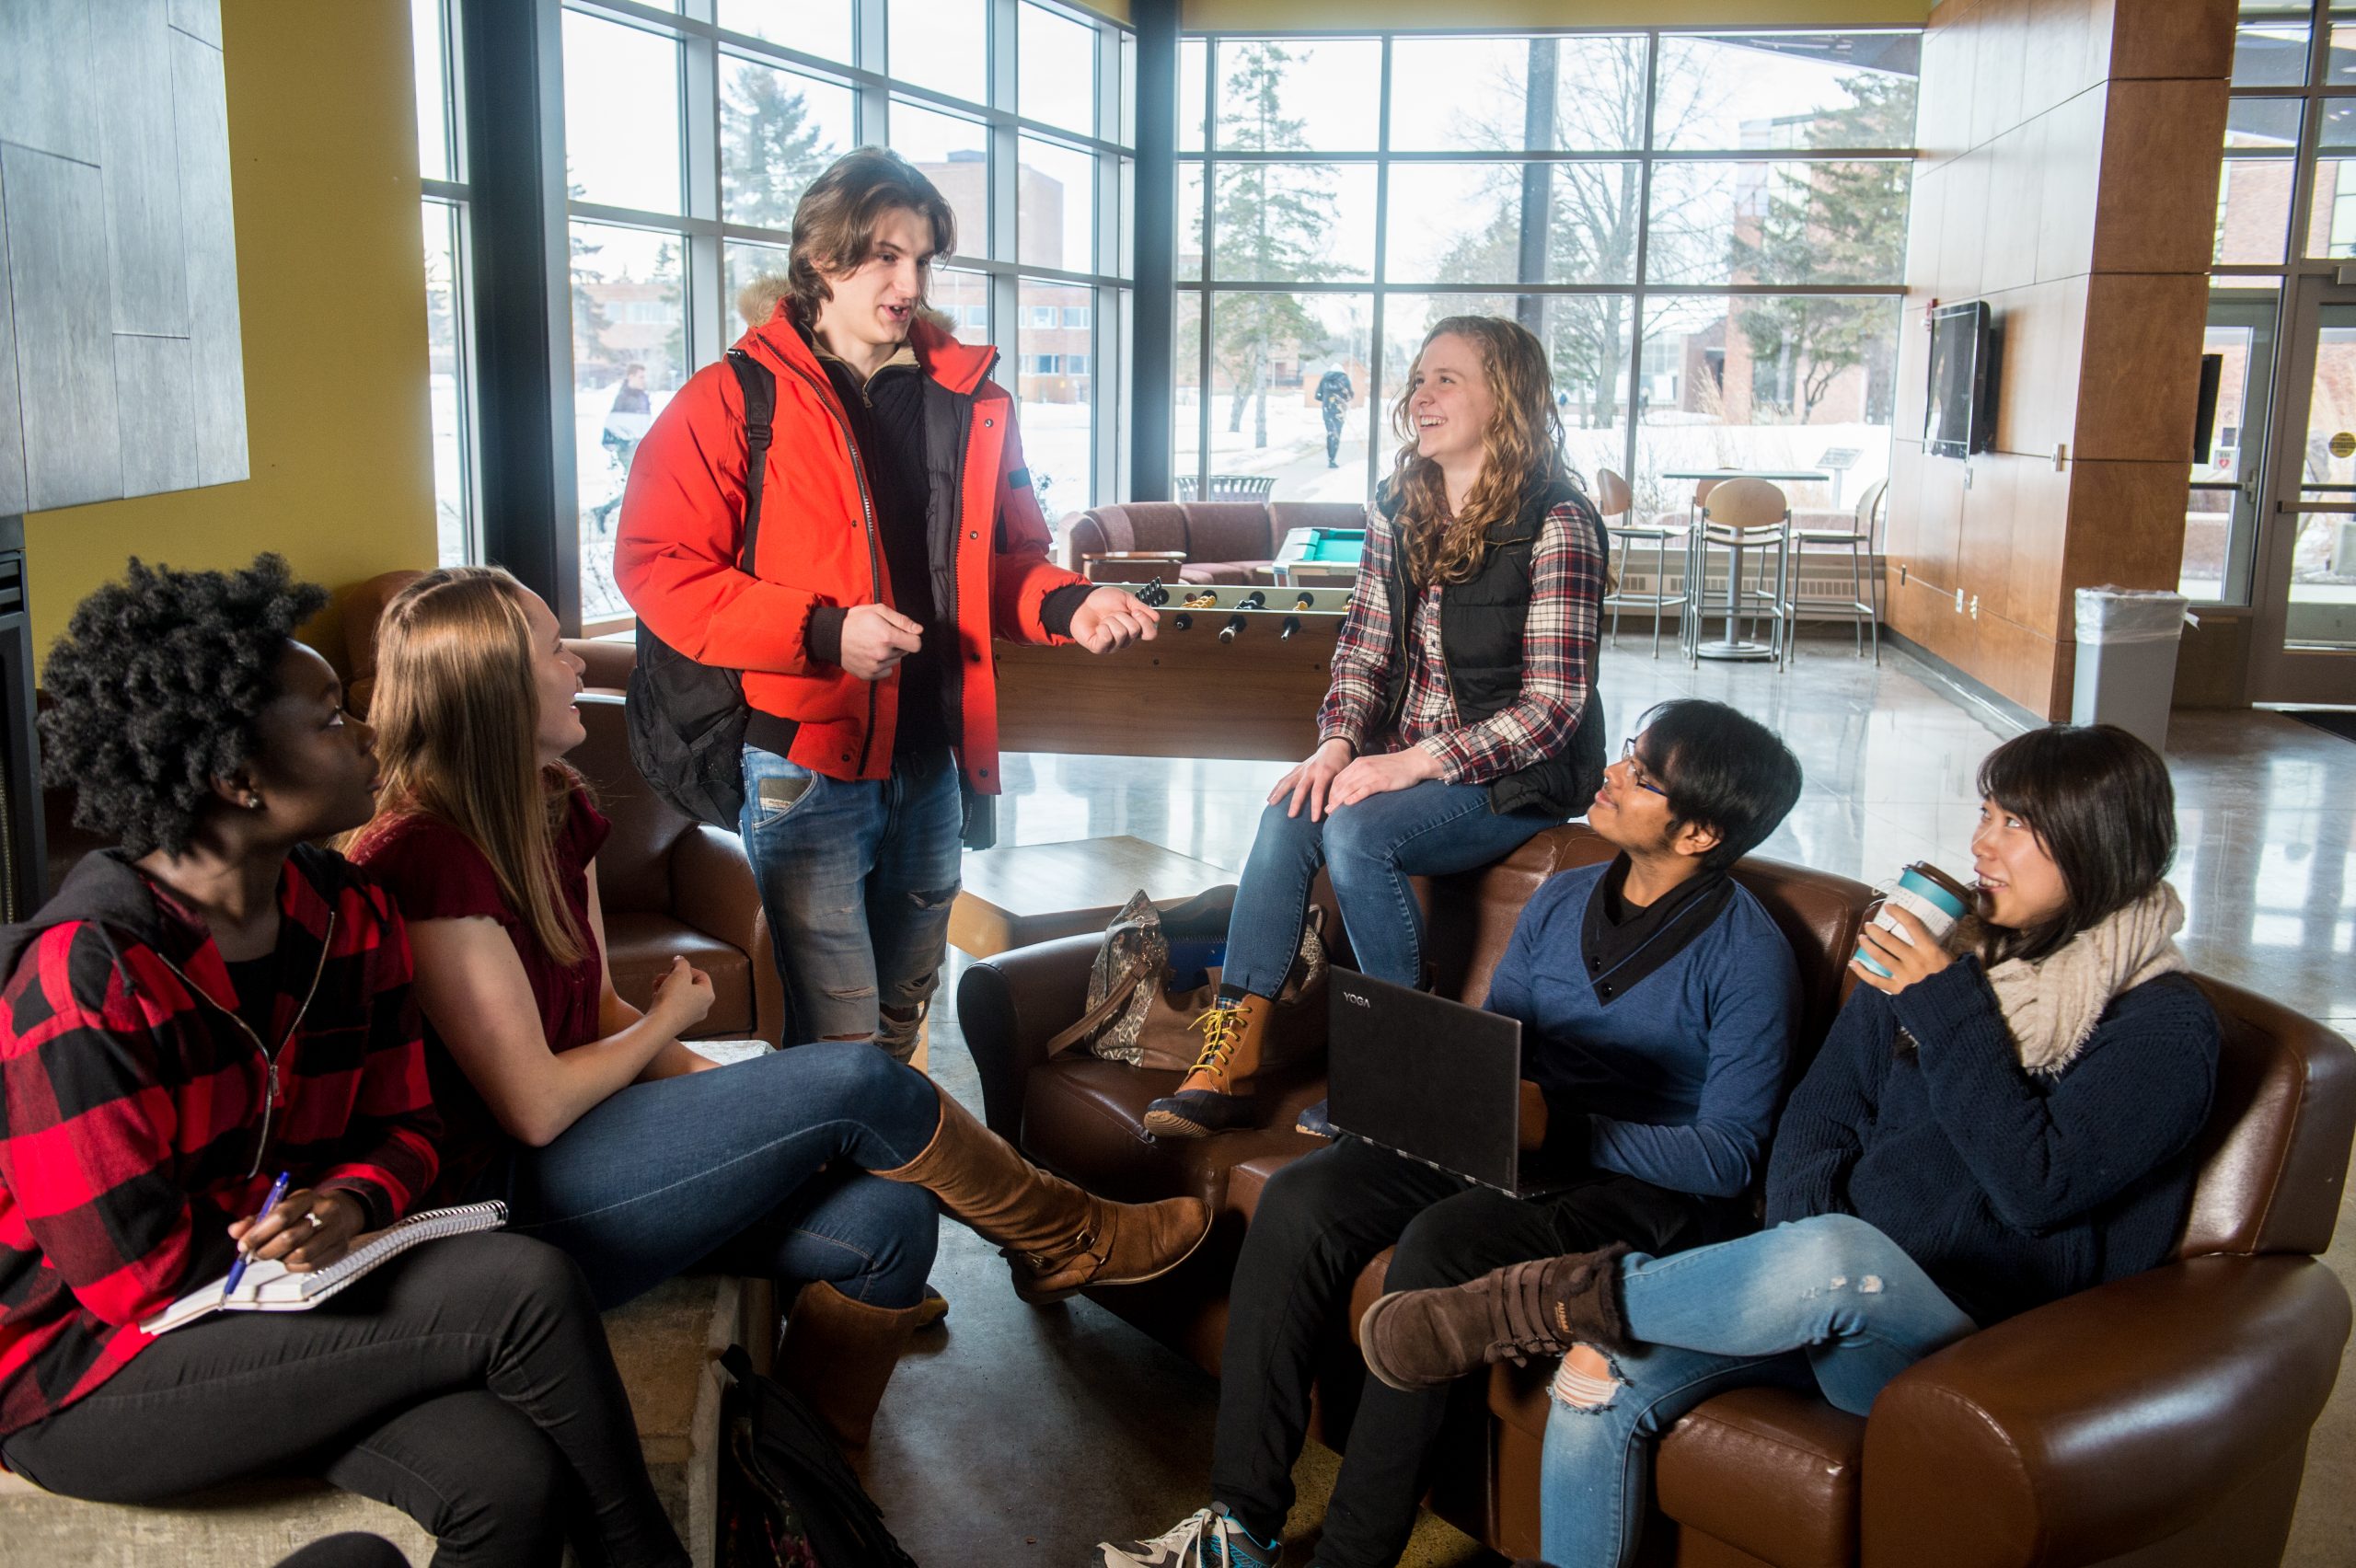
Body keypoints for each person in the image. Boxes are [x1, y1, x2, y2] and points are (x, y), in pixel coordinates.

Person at [343, 567, 1208, 1448]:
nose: (575, 666)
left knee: (890, 1218)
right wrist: (676, 1026)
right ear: (491, 686)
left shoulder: (552, 805)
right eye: (550, 649)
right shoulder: (422, 858)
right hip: (508, 1201)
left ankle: (802, 1484)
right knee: (857, 1079)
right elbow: (532, 1109)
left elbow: (597, 1005)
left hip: (599, 1138)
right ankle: (1064, 1232)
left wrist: (757, 1119)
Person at [1355, 724, 2220, 1568]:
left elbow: (2038, 1188)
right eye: (1987, 813)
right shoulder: (1948, 957)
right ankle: (1595, 1317)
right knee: (1595, 1379)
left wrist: (1947, 1009)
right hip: (1823, 1291)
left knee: (1840, 1254)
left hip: (1977, 1340)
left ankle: (1537, 1303)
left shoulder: (2163, 1027)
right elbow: (1821, 1117)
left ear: (2096, 846)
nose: (1981, 843)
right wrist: (1794, 1259)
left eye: (2015, 826)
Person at [0, 558, 685, 1568]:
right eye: (328, 720)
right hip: (93, 1373)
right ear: (237, 777)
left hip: (277, 1302)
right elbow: (135, 1278)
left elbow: (408, 1130)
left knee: (506, 1479)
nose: (367, 733)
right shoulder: (83, 977)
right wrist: (315, 1252)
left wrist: (356, 1202)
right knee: (520, 1287)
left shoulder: (346, 911)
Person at [1097, 699, 1805, 1568]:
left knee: (1441, 1244)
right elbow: (1497, 1041)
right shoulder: (1569, 895)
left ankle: (1354, 1556)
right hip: (1513, 1141)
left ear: (1698, 834)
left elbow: (1728, 1157)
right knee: (1301, 1198)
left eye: (1642, 774)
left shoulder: (1749, 956)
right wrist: (1440, 1089)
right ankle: (1241, 1522)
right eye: (1627, 754)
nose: (1612, 773)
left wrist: (1565, 1127)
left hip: (1633, 1188)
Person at [616, 147, 1156, 1064]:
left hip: (930, 758)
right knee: (839, 1035)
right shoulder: (728, 399)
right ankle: (834, 1196)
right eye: (884, 257)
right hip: (804, 767)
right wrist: (825, 632)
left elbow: (1007, 559)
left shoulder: (970, 400)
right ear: (822, 260)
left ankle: (884, 1196)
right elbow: (659, 567)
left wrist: (1070, 606)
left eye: (923, 259)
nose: (909, 282)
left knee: (905, 1016)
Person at [1145, 317, 1610, 1141]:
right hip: (1406, 764)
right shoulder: (1402, 503)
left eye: (1446, 380)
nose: (1418, 397)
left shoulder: (1559, 522)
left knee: (1357, 833)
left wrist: (1419, 762)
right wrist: (1337, 745)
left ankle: (1395, 1064)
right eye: (1418, 379)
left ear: (1506, 398)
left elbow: (1554, 708)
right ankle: (1226, 1060)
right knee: (1290, 811)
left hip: (1518, 777)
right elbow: (1362, 651)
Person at [592, 363, 653, 533]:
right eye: (640, 376)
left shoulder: (640, 396)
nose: (644, 380)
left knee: (639, 486)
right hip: (628, 447)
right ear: (631, 377)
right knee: (638, 486)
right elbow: (616, 423)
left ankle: (609, 512)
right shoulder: (625, 398)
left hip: (637, 445)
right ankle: (608, 512)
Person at [1316, 365, 1355, 468]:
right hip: (1339, 410)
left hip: (1327, 410)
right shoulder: (1344, 379)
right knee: (1337, 433)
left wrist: (1326, 399)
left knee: (1330, 433)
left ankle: (1330, 458)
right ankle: (1333, 459)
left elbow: (1317, 395)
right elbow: (1350, 395)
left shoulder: (1324, 379)